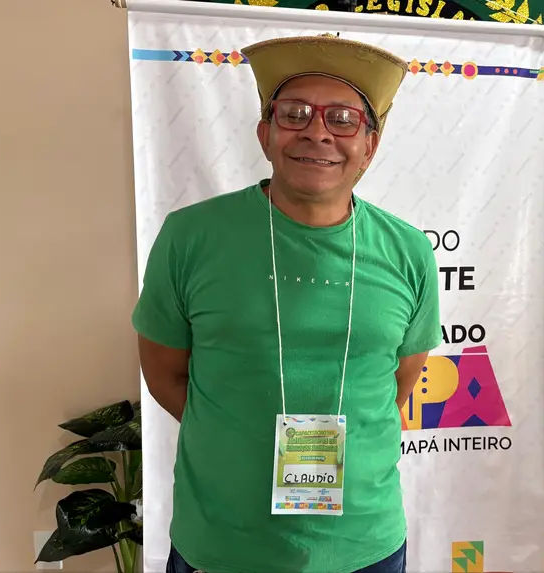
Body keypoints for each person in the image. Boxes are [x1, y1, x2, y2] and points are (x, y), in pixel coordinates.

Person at [132, 33, 442, 573]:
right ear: (265, 134)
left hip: (363, 545)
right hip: (223, 545)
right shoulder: (190, 237)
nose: (317, 132)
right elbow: (166, 376)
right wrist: (240, 435)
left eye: (342, 119)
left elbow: (399, 383)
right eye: (295, 114)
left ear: (369, 146)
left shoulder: (409, 251)